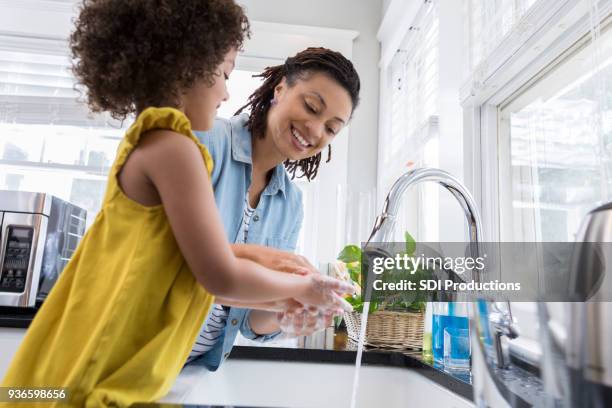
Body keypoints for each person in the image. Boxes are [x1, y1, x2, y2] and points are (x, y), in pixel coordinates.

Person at [0, 2, 353, 407]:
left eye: (332, 127)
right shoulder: (180, 148)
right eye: (223, 74)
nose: (225, 91)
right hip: (94, 368)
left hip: (122, 369)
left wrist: (287, 297)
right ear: (187, 66)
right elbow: (216, 274)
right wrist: (303, 288)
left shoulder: (159, 141)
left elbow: (177, 261)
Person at [187, 47, 361, 370]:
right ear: (280, 89)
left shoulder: (290, 204)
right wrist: (288, 281)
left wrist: (293, 309)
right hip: (140, 347)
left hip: (192, 369)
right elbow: (185, 264)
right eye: (311, 106)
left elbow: (252, 322)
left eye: (332, 128)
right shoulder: (207, 142)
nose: (315, 130)